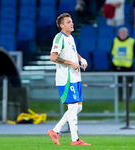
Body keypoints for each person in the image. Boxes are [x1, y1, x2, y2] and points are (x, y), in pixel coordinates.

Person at [48, 13, 91, 146]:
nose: (72, 24)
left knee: (78, 108)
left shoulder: (70, 38)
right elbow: (53, 57)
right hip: (66, 78)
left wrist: (80, 59)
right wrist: (70, 63)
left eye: (71, 21)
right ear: (62, 25)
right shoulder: (59, 38)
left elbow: (72, 52)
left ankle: (55, 130)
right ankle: (75, 139)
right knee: (73, 107)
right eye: (68, 22)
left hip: (75, 76)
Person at [111, 27, 135, 101]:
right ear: (118, 34)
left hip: (128, 66)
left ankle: (128, 99)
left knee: (129, 83)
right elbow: (112, 51)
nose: (123, 34)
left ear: (127, 34)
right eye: (121, 33)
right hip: (117, 66)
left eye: (124, 33)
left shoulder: (131, 41)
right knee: (119, 83)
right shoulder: (115, 41)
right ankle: (119, 99)